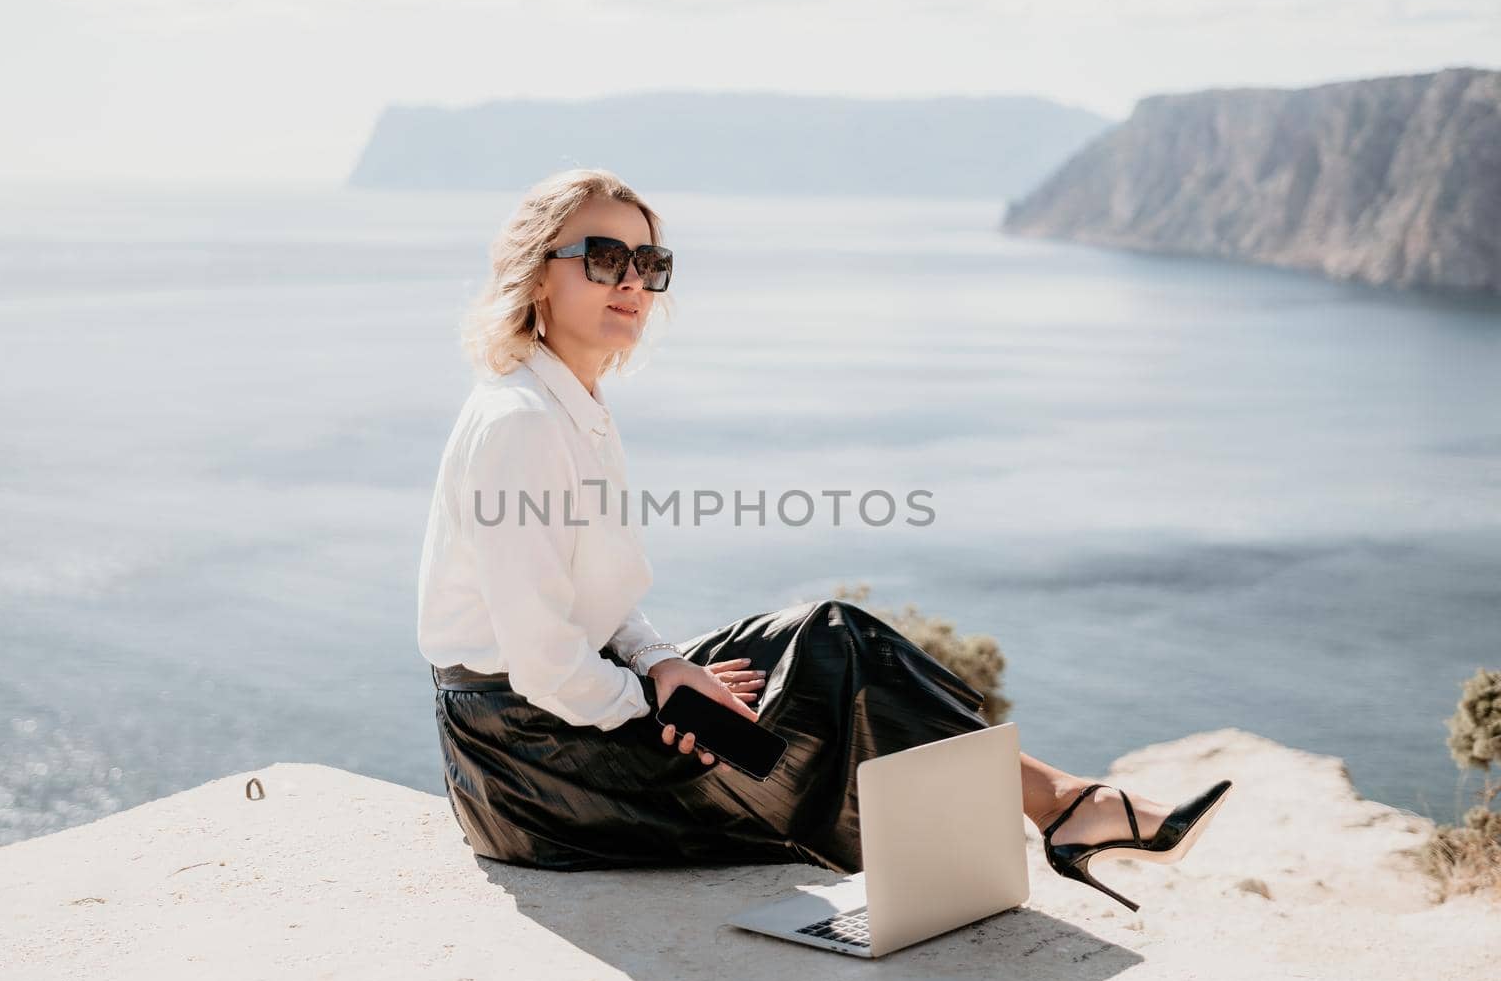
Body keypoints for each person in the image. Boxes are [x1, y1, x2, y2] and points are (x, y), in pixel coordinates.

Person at [415, 168, 1230, 909]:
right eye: (602, 257)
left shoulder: (572, 408)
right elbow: (548, 663)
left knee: (821, 638)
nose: (632, 280)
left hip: (563, 719)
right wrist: (649, 702)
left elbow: (597, 606)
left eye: (650, 264)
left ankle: (1052, 811)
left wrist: (666, 666)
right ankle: (1062, 809)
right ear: (536, 273)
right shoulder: (520, 424)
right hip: (529, 767)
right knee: (818, 681)